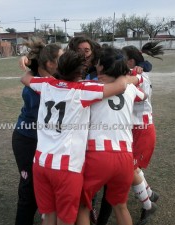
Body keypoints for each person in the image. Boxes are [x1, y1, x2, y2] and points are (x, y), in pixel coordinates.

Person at [20, 50, 130, 225]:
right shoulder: (84, 89)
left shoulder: (47, 84)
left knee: (49, 216)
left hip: (40, 163)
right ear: (81, 72)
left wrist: (30, 65)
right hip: (66, 168)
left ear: (59, 66)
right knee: (66, 219)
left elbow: (25, 79)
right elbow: (121, 86)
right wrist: (128, 75)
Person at [76, 46, 146, 225]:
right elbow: (143, 95)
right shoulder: (130, 89)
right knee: (121, 206)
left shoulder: (91, 87)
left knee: (83, 206)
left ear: (102, 68)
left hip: (98, 154)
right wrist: (133, 77)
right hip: (124, 157)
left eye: (99, 65)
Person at [96, 42, 164, 225]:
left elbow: (131, 81)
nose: (119, 64)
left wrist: (130, 73)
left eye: (122, 60)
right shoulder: (135, 72)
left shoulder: (139, 76)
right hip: (133, 129)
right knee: (132, 167)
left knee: (130, 168)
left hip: (142, 129)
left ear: (131, 61)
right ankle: (149, 194)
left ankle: (148, 205)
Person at [12, 37, 64, 225]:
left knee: (43, 186)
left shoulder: (52, 77)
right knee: (29, 189)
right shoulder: (40, 82)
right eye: (61, 58)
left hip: (46, 140)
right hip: (26, 138)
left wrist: (27, 59)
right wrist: (27, 60)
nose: (64, 62)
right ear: (49, 63)